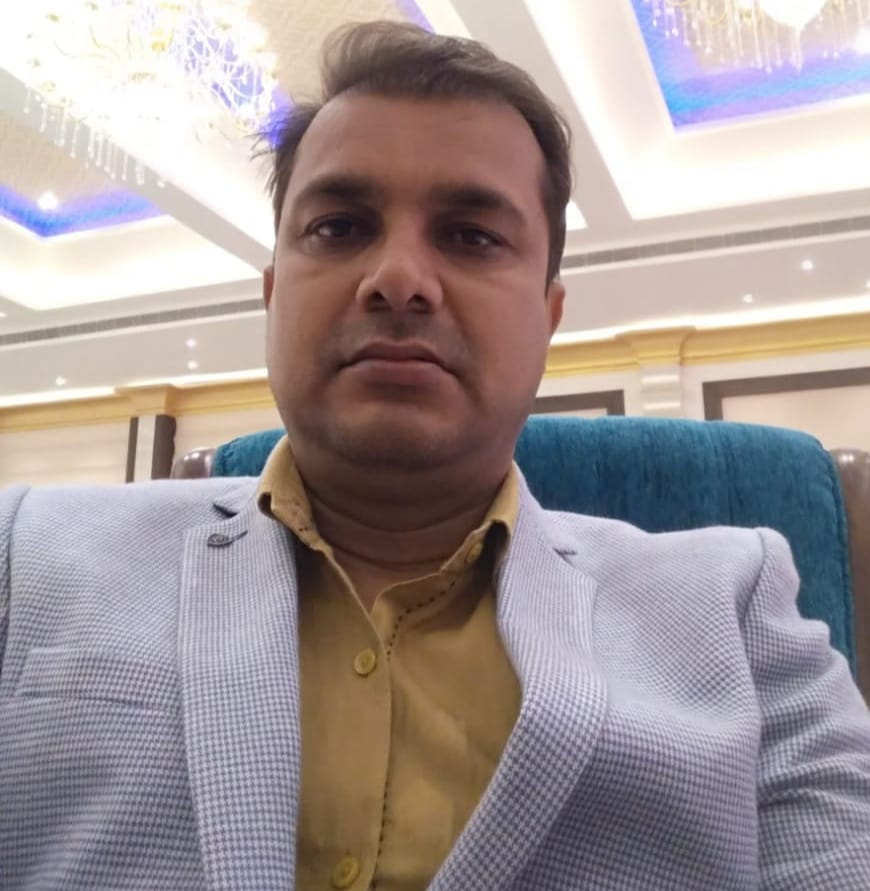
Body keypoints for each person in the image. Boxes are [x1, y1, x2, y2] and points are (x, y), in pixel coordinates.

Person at [1, 20, 869, 891]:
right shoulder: (25, 552)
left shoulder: (733, 606)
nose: (398, 279)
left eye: (471, 236)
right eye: (340, 227)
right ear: (273, 295)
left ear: (548, 317)